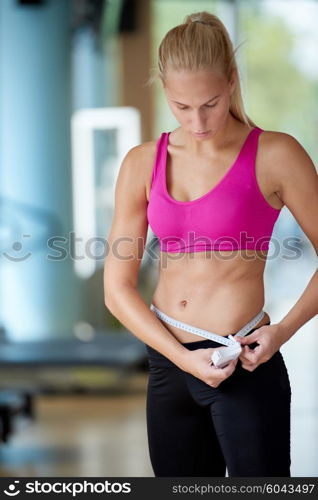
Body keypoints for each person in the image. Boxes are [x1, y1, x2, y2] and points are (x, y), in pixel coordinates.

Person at [103, 11, 318, 477]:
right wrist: (181, 359)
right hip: (168, 365)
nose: (197, 120)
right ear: (164, 89)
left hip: (244, 361)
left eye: (211, 103)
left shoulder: (277, 154)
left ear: (233, 82)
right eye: (181, 106)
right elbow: (116, 288)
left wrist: (282, 330)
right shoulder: (143, 163)